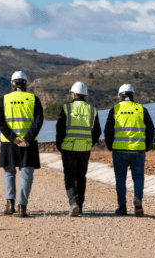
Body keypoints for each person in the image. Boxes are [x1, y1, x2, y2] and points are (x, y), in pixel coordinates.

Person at [0, 71, 44, 218]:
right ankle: (22, 207)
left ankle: (10, 205)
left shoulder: (4, 99)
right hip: (29, 143)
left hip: (9, 143)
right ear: (26, 84)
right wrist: (27, 138)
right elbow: (38, 121)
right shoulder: (34, 99)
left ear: (12, 84)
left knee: (9, 172)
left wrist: (13, 138)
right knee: (26, 174)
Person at [103, 84, 154, 217]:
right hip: (138, 150)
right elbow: (150, 130)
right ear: (133, 95)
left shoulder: (115, 109)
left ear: (119, 96)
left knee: (120, 180)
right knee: (138, 177)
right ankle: (137, 198)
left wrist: (110, 146)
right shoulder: (142, 109)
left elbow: (108, 131)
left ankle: (122, 208)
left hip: (119, 151)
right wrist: (146, 146)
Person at [56, 82, 102, 217]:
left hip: (68, 148)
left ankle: (73, 203)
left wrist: (59, 145)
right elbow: (97, 131)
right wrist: (89, 143)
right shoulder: (92, 110)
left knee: (70, 177)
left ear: (74, 94)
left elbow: (60, 129)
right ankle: (80, 206)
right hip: (84, 149)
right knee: (81, 177)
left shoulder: (66, 108)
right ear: (85, 95)